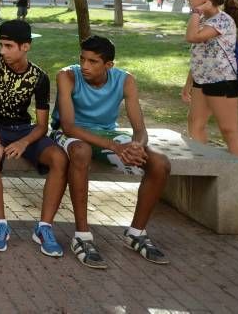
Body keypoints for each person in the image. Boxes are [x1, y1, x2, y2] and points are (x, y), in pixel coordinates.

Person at [51, 35, 171, 269]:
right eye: (82, 59)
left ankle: (136, 232)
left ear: (108, 65)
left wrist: (137, 145)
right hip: (70, 134)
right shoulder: (67, 76)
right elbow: (68, 126)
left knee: (160, 163)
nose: (85, 66)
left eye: (93, 61)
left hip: (107, 133)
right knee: (81, 151)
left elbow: (140, 129)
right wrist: (115, 147)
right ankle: (82, 236)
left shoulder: (125, 80)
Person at [0, 20, 69, 257]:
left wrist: (24, 142)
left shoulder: (39, 78)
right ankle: (0, 224)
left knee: (59, 158)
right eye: (1, 45)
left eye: (8, 46)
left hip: (23, 130)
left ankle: (44, 227)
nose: (2, 51)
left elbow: (41, 125)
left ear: (25, 46)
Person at [182, 0, 238, 159]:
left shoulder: (223, 20)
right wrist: (189, 83)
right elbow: (199, 55)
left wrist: (196, 12)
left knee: (228, 130)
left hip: (222, 82)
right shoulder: (203, 19)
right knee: (195, 125)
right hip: (201, 81)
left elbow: (192, 37)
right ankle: (201, 169)